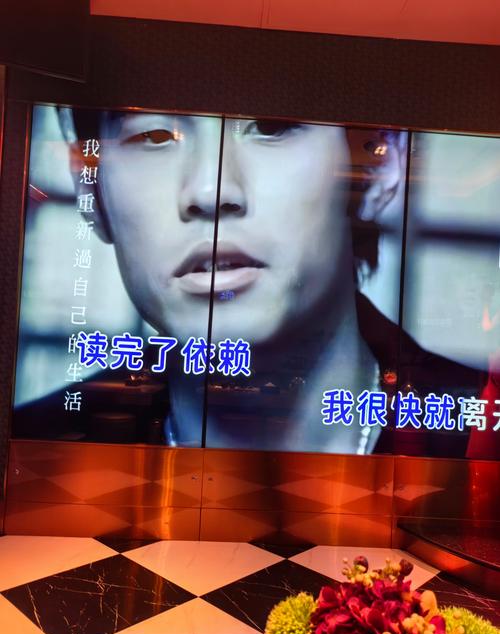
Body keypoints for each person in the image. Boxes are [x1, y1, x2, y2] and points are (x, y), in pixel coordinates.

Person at [13, 109, 489, 456]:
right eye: (154, 135)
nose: (211, 190)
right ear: (91, 189)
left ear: (378, 166)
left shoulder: (476, 434)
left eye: (271, 127)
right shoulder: (39, 444)